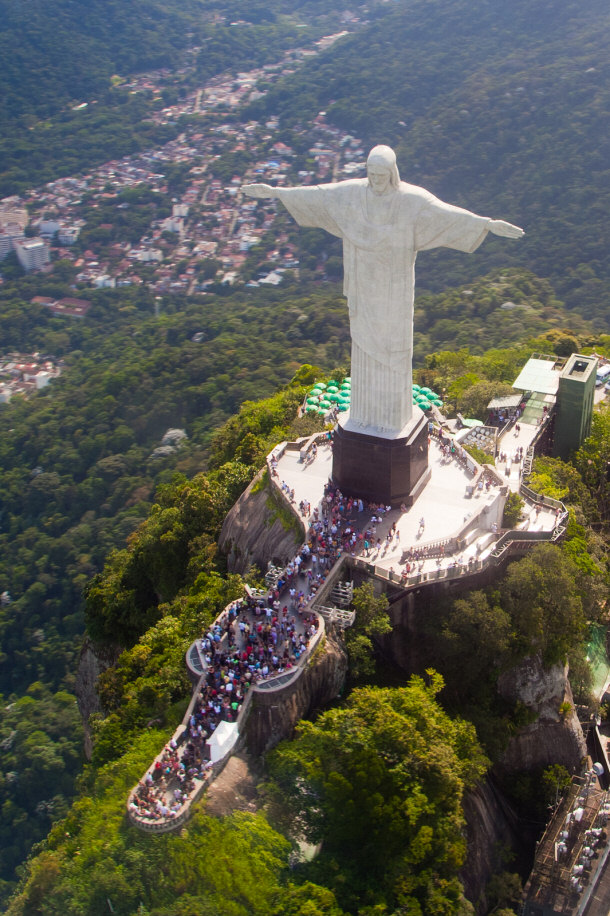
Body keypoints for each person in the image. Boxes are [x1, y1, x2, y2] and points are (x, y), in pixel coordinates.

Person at [243, 145, 523, 437]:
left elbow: (446, 215)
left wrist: (486, 225)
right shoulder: (352, 194)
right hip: (365, 289)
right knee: (363, 347)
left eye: (381, 174)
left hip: (394, 294)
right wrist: (276, 192)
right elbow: (318, 194)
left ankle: (391, 418)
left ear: (393, 173)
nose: (376, 180)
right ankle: (363, 415)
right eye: (371, 174)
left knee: (393, 350)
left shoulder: (411, 201)